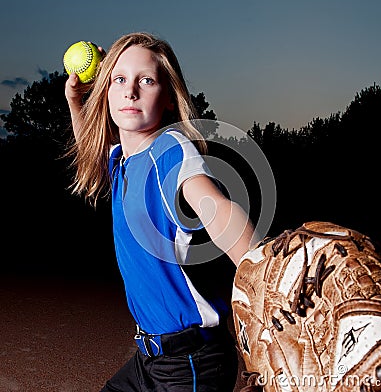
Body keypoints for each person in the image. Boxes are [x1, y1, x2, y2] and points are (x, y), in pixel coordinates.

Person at [65, 32, 258, 392]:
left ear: (169, 98)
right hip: (149, 359)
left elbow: (215, 208)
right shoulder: (122, 161)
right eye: (119, 79)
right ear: (105, 92)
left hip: (193, 363)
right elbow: (90, 147)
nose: (130, 91)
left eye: (147, 80)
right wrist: (77, 103)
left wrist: (265, 275)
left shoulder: (170, 150)